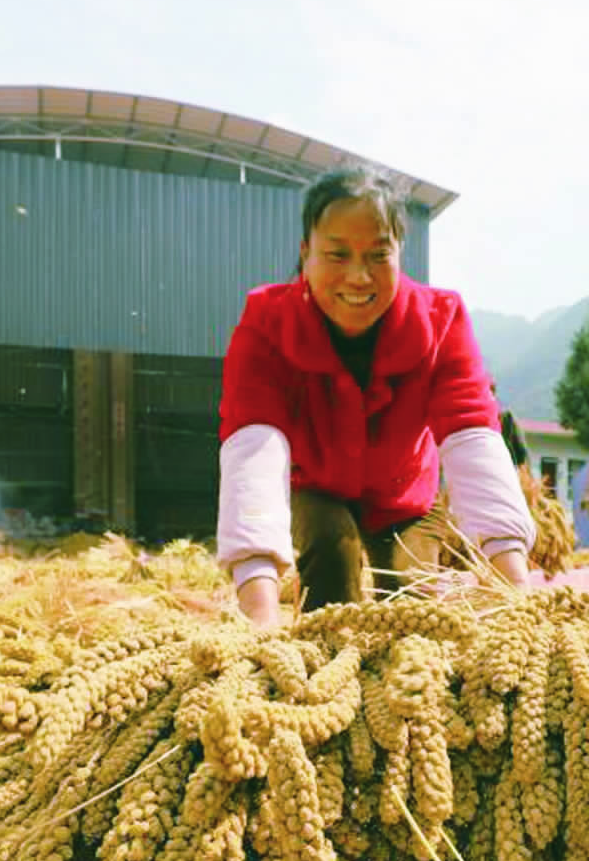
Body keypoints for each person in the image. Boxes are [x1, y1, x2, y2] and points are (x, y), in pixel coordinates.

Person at [216, 168, 535, 627]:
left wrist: (514, 588)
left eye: (378, 254)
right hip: (317, 483)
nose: (358, 276)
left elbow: (471, 436)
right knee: (332, 551)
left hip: (405, 493)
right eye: (337, 254)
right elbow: (253, 446)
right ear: (306, 252)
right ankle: (324, 671)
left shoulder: (442, 320)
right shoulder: (268, 322)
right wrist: (259, 614)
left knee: (410, 600)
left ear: (399, 252)